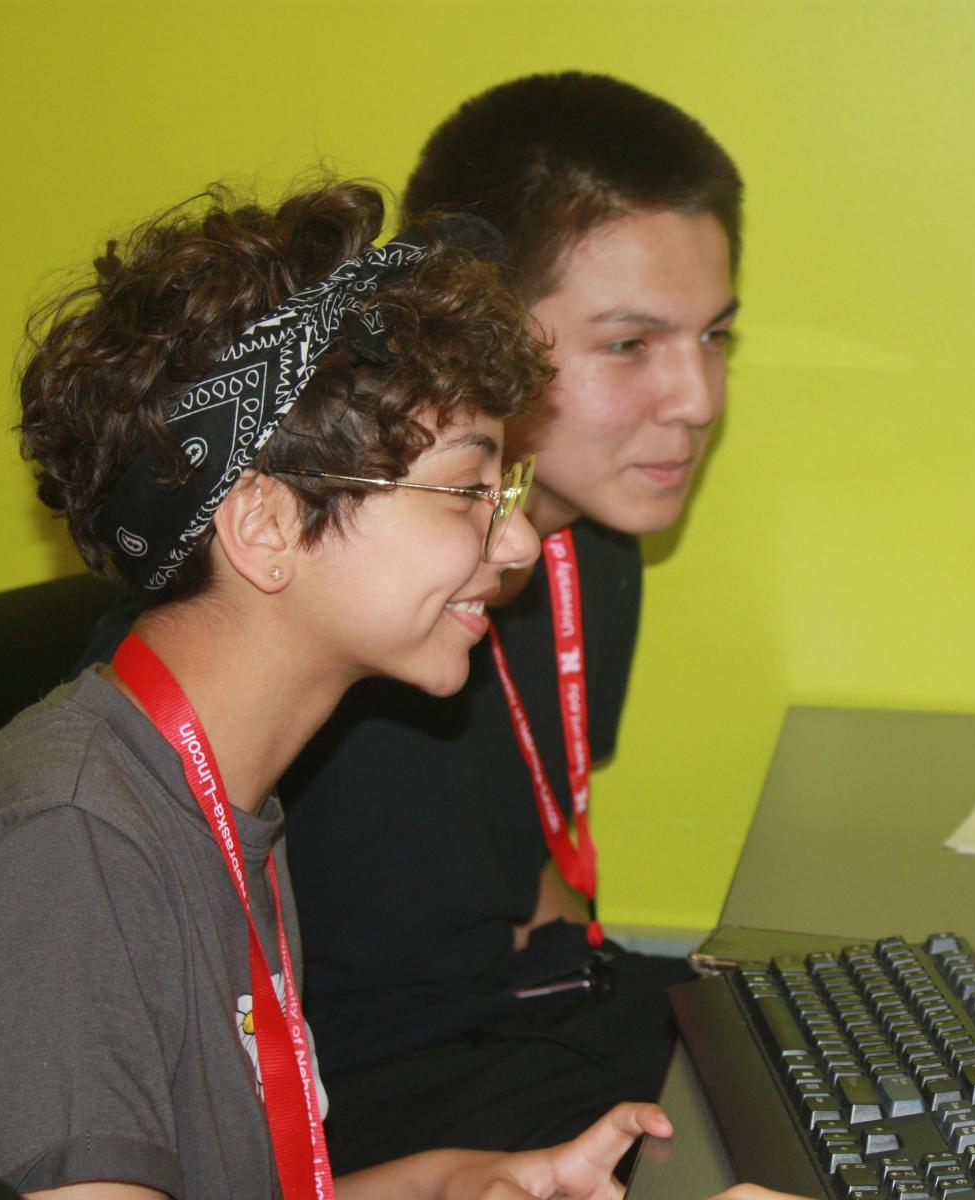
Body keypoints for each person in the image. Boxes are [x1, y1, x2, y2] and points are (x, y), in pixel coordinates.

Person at [0, 181, 769, 1200]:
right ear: (263, 528)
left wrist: (449, 1183)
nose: (514, 539)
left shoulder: (220, 795)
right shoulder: (67, 853)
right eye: (470, 490)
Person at [277, 73, 743, 1170]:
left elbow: (522, 861)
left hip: (523, 1023)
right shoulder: (357, 588)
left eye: (717, 336)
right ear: (479, 333)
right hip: (376, 1110)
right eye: (631, 345)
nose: (700, 399)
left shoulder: (594, 553)